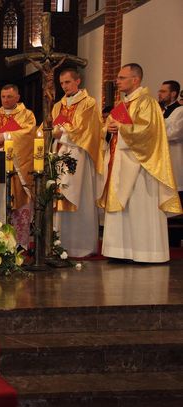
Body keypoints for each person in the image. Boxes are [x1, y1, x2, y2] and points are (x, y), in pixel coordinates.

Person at [100, 63, 182, 263]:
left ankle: (146, 252)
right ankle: (120, 251)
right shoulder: (122, 105)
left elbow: (148, 133)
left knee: (139, 207)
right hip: (119, 163)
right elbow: (107, 128)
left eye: (121, 78)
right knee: (122, 208)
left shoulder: (147, 103)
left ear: (135, 79)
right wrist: (107, 129)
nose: (117, 81)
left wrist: (121, 127)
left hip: (140, 166)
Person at [51, 68, 105, 257]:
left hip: (79, 155)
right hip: (58, 153)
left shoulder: (89, 103)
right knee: (58, 197)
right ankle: (59, 243)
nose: (64, 86)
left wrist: (62, 133)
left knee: (78, 195)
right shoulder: (58, 105)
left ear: (78, 81)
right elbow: (50, 126)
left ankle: (80, 245)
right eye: (62, 83)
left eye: (68, 82)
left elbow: (86, 130)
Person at [0, 84, 36, 247]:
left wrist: (6, 136)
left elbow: (29, 133)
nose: (5, 100)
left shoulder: (27, 115)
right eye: (3, 97)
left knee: (20, 204)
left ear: (17, 97)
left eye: (9, 97)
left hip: (19, 169)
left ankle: (19, 244)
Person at [158, 80, 183, 195]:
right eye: (160, 91)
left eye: (163, 91)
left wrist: (153, 132)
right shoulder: (161, 111)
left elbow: (175, 132)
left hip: (175, 155)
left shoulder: (180, 110)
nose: (159, 93)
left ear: (173, 94)